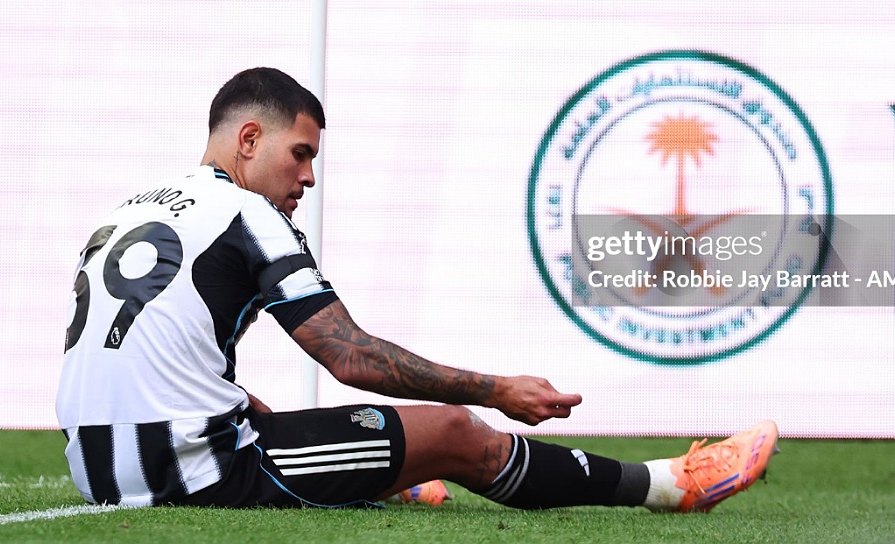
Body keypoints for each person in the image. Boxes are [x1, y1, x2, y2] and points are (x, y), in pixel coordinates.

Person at [55, 66, 778, 512]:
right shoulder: (248, 214)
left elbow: (171, 366)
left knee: (245, 400)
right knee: (458, 434)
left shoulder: (132, 207)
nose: (308, 177)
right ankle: (671, 485)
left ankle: (391, 476)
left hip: (95, 470)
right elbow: (351, 357)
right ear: (249, 140)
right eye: (300, 154)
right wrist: (496, 390)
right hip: (190, 473)